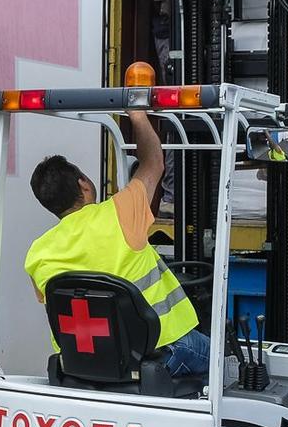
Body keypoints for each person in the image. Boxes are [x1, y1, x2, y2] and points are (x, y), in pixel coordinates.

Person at [25, 109, 208, 379]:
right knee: (223, 360)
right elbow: (154, 162)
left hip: (85, 361)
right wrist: (138, 115)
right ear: (83, 185)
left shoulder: (37, 254)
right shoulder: (120, 213)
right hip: (159, 351)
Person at [117, 0, 213, 212]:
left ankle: (208, 195)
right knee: (177, 109)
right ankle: (172, 197)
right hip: (174, 33)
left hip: (209, 32)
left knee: (208, 108)